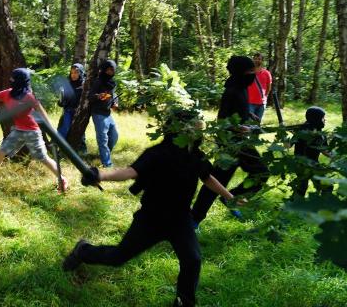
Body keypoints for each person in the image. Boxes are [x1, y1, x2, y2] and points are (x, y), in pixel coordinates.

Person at [63, 109, 241, 307]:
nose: (198, 131)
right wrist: (99, 175)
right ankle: (83, 251)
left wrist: (230, 197)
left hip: (180, 220)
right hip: (151, 219)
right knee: (118, 257)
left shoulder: (195, 156)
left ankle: (184, 302)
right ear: (179, 130)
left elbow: (207, 178)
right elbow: (130, 172)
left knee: (192, 260)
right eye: (194, 127)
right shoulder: (157, 154)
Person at [0, 68, 69, 192]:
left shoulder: (29, 97)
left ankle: (62, 179)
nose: (10, 80)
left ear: (19, 80)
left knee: (42, 158)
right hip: (18, 130)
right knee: (2, 151)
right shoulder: (9, 93)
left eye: (13, 78)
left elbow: (42, 113)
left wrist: (53, 131)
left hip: (32, 132)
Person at [191, 56, 269, 225]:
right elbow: (223, 120)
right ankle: (196, 219)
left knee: (218, 181)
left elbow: (238, 107)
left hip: (238, 141)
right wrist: (240, 128)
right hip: (231, 142)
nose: (253, 74)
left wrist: (248, 114)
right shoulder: (232, 91)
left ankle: (199, 216)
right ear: (240, 72)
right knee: (260, 172)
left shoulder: (242, 86)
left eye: (253, 71)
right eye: (249, 71)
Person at [292, 106, 333, 197]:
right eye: (323, 118)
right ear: (316, 119)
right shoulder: (302, 132)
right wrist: (284, 135)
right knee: (302, 187)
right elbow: (287, 145)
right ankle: (292, 207)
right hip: (301, 164)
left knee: (326, 185)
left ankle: (325, 204)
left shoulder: (321, 134)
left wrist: (336, 156)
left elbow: (325, 150)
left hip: (314, 163)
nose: (324, 120)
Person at [90, 60, 119, 167]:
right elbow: (90, 96)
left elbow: (113, 95)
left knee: (114, 136)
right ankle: (107, 164)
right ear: (103, 70)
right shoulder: (98, 81)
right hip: (98, 113)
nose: (110, 72)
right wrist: (99, 96)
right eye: (107, 70)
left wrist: (115, 103)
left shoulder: (112, 82)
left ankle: (104, 154)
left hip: (108, 113)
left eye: (112, 70)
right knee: (103, 140)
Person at [57, 63, 87, 154]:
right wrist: (61, 102)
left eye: (76, 73)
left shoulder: (85, 85)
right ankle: (60, 149)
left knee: (80, 130)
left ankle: (82, 149)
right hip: (68, 111)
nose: (73, 75)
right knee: (64, 129)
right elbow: (62, 100)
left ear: (81, 73)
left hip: (79, 112)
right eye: (72, 72)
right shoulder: (67, 84)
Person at [246, 52, 272, 122]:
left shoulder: (267, 73)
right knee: (249, 123)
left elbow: (269, 87)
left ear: (262, 61)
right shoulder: (248, 72)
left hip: (262, 103)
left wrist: (265, 97)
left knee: (257, 123)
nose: (257, 60)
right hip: (249, 102)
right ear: (252, 60)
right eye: (255, 59)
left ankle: (256, 133)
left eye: (259, 59)